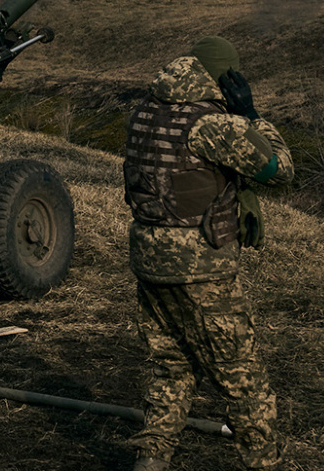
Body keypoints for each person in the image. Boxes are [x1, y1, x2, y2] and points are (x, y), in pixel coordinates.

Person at [122, 36, 293, 471]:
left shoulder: (145, 110)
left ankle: (151, 460)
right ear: (224, 78)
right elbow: (280, 168)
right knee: (243, 380)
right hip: (202, 267)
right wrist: (251, 115)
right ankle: (263, 463)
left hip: (150, 260)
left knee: (171, 367)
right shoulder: (213, 124)